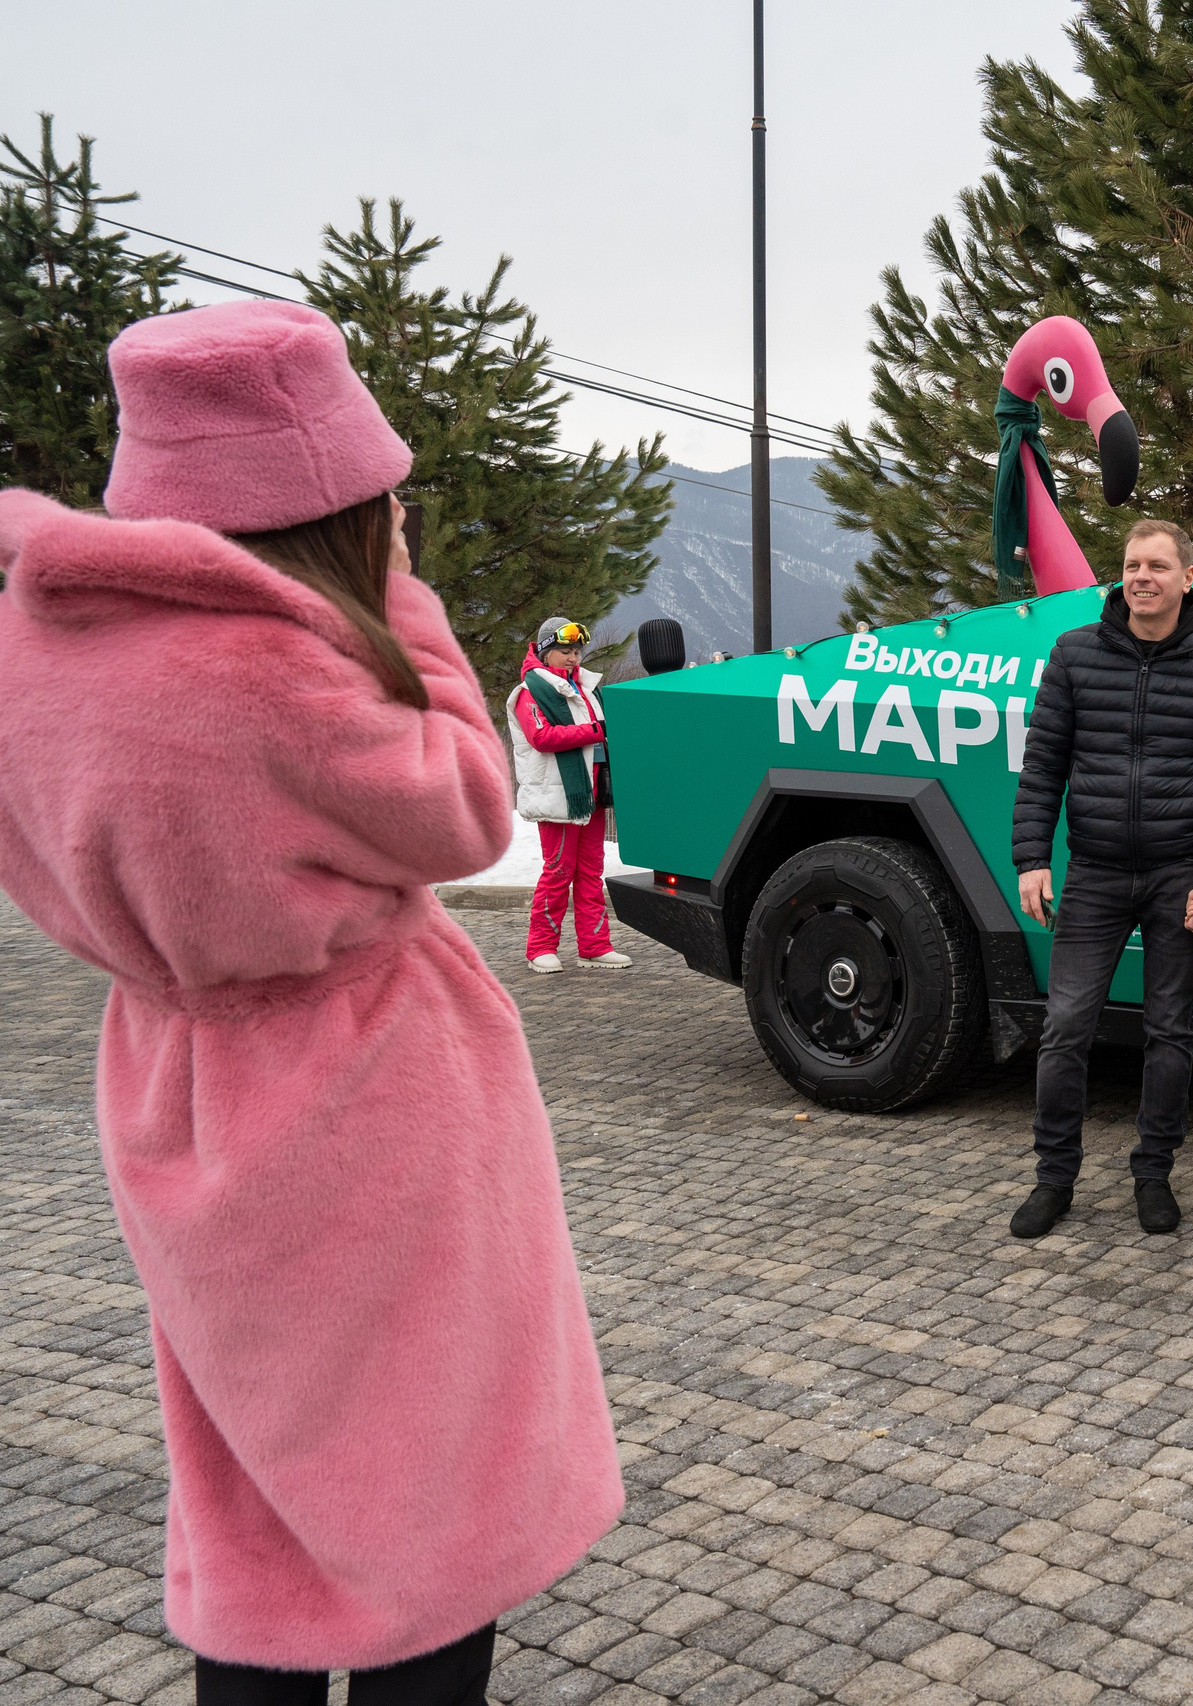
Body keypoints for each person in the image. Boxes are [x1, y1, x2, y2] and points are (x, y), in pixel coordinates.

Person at [0, 301, 624, 1703]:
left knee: (255, 1490)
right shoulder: (283, 667)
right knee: (425, 1509)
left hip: (173, 1085)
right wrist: (401, 600)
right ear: (336, 492)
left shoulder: (36, 646)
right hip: (368, 1099)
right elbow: (471, 805)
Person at [1010, 518, 1193, 1238]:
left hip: (1181, 878)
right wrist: (1032, 857)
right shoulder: (1074, 654)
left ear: (1190, 576)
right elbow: (1043, 766)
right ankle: (1054, 1180)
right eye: (1130, 565)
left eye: (1156, 565)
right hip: (1093, 872)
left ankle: (1154, 1174)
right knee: (1064, 1028)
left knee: (1170, 1031)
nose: (1141, 577)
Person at [508, 616, 630, 973]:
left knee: (591, 871)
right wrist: (595, 730)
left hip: (590, 793)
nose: (573, 657)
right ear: (546, 652)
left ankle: (594, 946)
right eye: (564, 651)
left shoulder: (587, 689)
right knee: (558, 871)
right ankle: (541, 947)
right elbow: (541, 738)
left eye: (577, 650)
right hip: (556, 796)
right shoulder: (530, 692)